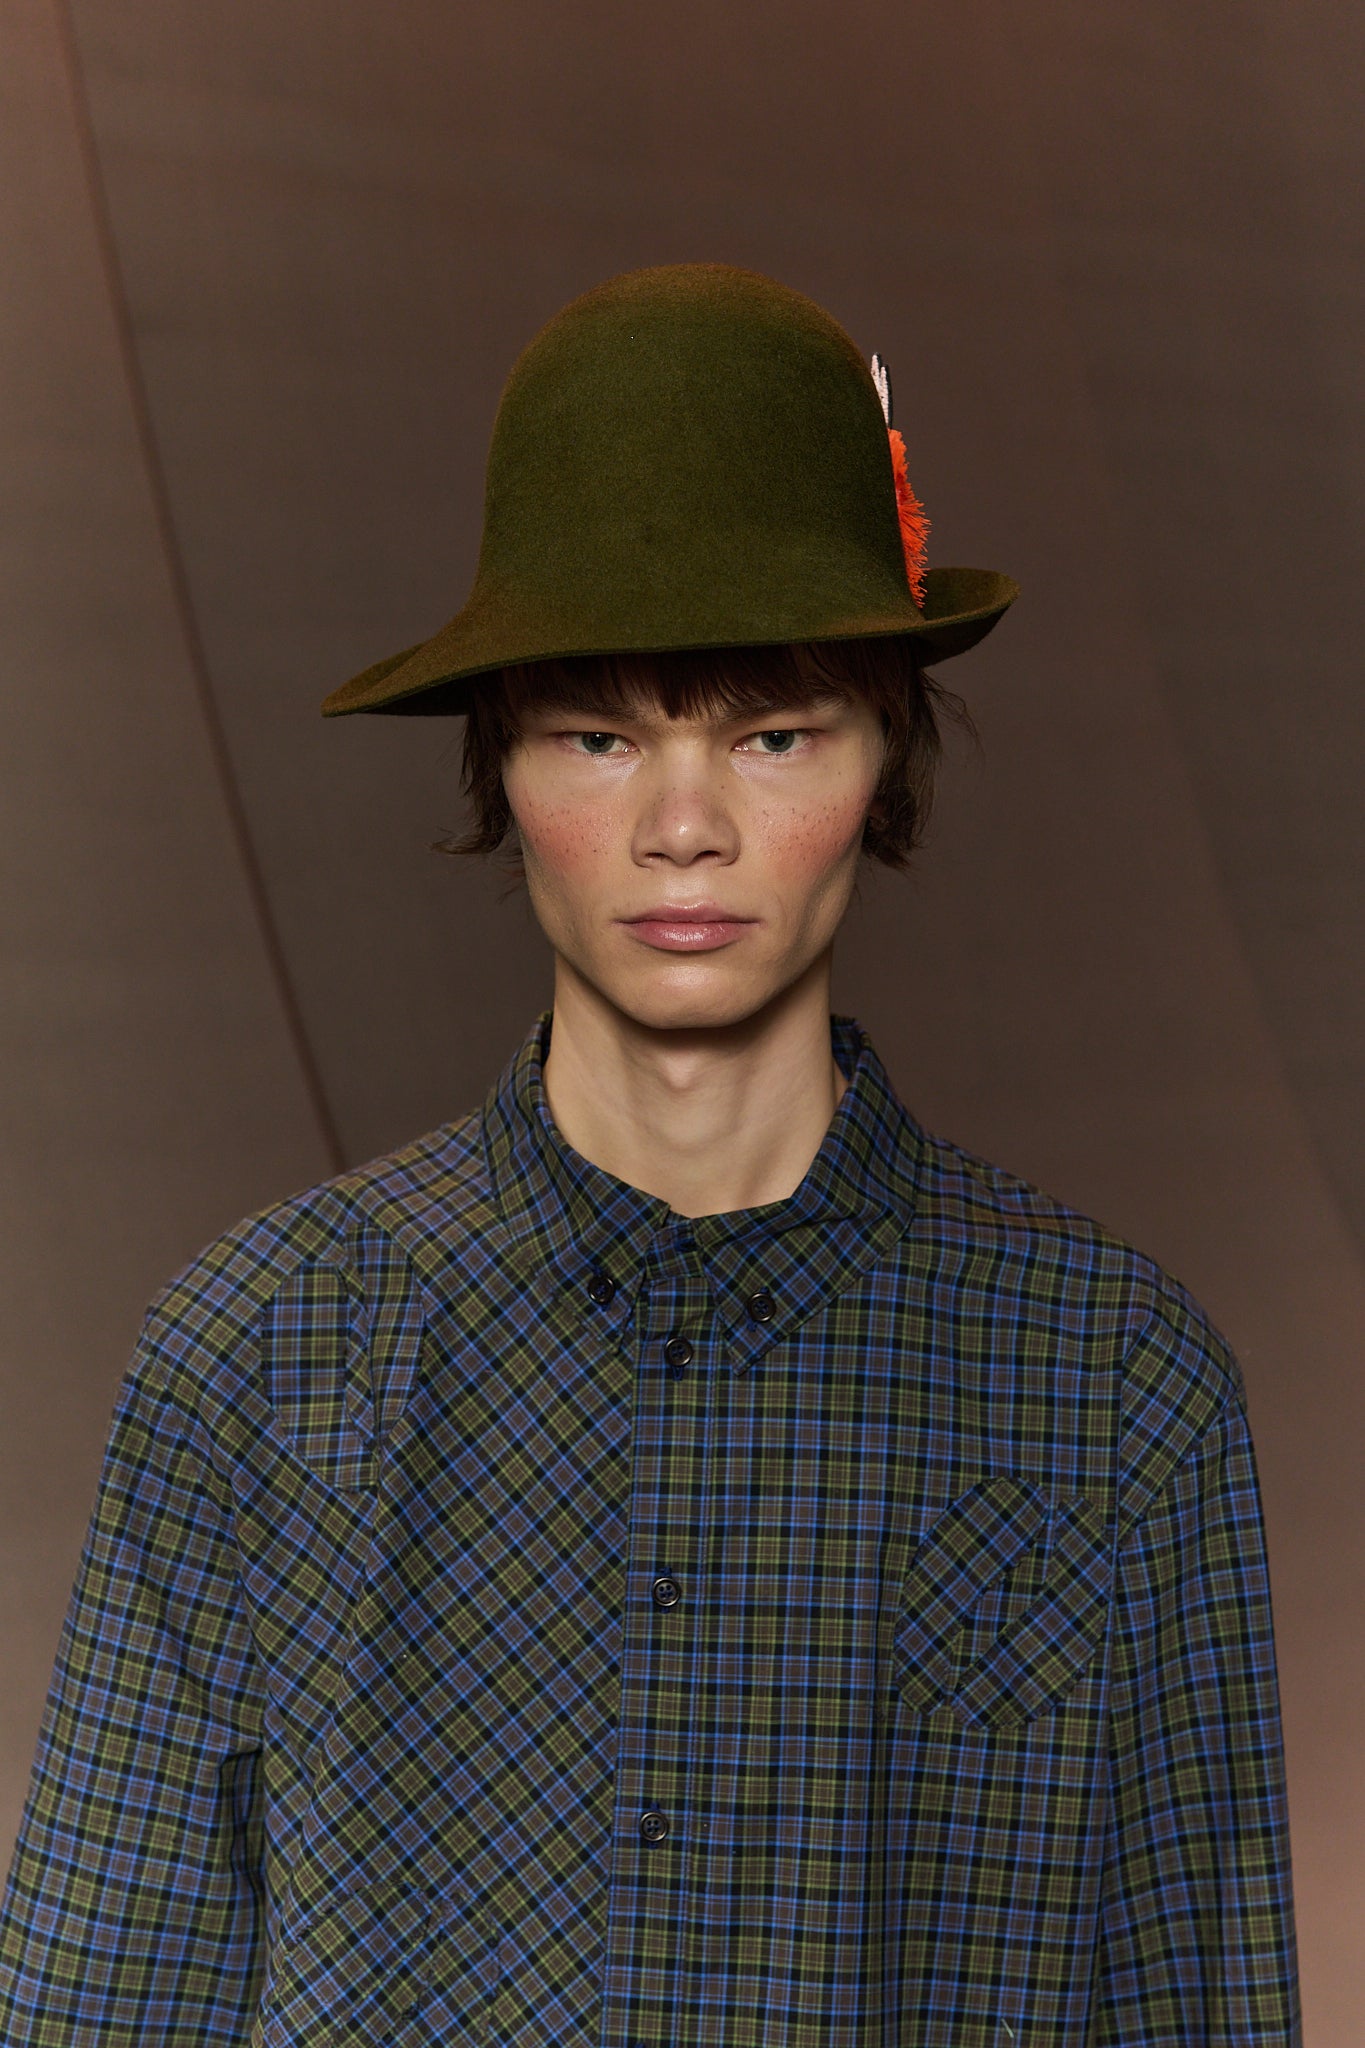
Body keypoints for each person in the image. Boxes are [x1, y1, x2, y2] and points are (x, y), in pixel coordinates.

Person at [0, 264, 1300, 2046]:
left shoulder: (1112, 1383)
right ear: (501, 766)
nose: (683, 827)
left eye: (772, 732)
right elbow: (99, 2007)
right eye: (600, 734)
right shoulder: (260, 1360)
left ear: (884, 759)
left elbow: (1195, 1998)